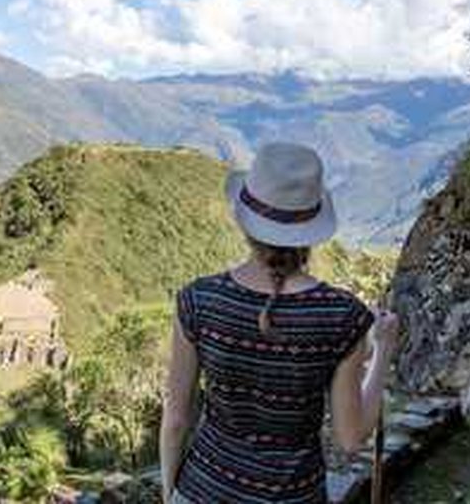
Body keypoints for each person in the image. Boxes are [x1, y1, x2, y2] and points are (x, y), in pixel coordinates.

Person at [159, 142, 400, 503]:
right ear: (311, 232)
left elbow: (177, 420)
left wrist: (168, 491)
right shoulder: (342, 316)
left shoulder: (198, 301)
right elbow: (351, 439)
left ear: (246, 224)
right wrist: (383, 350)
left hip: (203, 489)